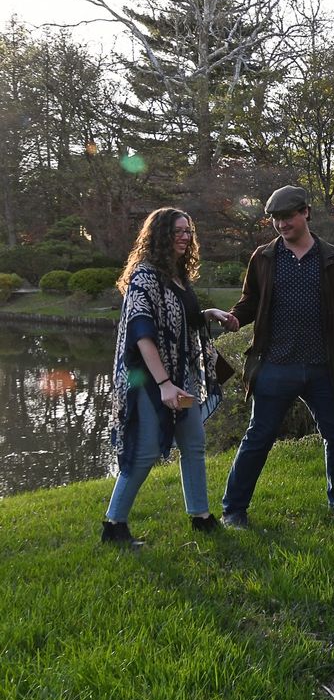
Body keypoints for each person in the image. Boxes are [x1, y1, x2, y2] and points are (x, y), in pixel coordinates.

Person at [219, 185, 334, 529]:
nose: (282, 224)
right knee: (259, 437)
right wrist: (235, 317)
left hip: (324, 367)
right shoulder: (264, 257)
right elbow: (250, 301)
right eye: (275, 219)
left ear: (306, 213)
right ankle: (233, 510)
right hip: (275, 366)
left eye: (287, 217)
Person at [103, 208, 235, 546]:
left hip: (180, 376)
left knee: (194, 444)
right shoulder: (144, 276)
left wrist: (209, 313)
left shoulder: (177, 275)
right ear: (159, 234)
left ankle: (201, 517)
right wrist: (164, 385)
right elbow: (142, 333)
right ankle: (113, 525)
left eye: (188, 231)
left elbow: (181, 318)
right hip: (148, 380)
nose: (185, 237)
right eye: (177, 231)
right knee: (144, 451)